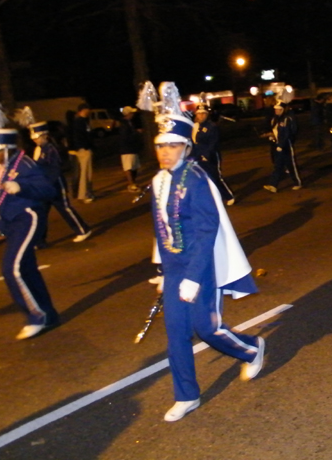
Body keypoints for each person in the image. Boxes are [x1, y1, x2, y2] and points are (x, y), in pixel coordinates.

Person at [142, 81, 265, 423]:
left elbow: (207, 230)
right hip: (174, 268)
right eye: (161, 146)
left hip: (202, 266)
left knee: (207, 328)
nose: (166, 152)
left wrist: (193, 278)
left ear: (185, 147)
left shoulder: (196, 179)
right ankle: (186, 395)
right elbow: (161, 228)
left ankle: (252, 348)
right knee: (176, 334)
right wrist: (162, 270)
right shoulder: (158, 182)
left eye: (173, 145)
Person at [0, 99, 59, 340]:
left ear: (6, 148)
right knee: (27, 270)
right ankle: (48, 315)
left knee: (12, 269)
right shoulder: (2, 167)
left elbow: (48, 190)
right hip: (13, 221)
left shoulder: (24, 164)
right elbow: (3, 200)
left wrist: (21, 187)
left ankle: (36, 316)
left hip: (28, 218)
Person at [28, 119, 92, 245]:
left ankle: (83, 230)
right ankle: (40, 241)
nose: (35, 140)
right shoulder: (39, 149)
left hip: (55, 184)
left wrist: (47, 184)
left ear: (45, 136)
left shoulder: (51, 149)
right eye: (34, 138)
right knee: (41, 212)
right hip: (44, 186)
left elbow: (55, 169)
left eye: (37, 137)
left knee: (65, 208)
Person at [190, 101, 235, 205]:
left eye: (203, 113)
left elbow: (213, 143)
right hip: (197, 156)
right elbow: (193, 142)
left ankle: (228, 196)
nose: (201, 116)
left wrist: (206, 155)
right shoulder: (194, 126)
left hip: (210, 156)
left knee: (215, 177)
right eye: (199, 113)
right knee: (199, 178)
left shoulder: (211, 126)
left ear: (207, 115)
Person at [264, 95, 302, 193]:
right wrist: (272, 137)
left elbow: (287, 133)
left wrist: (281, 144)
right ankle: (273, 185)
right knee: (278, 165)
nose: (276, 111)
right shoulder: (275, 119)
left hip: (286, 145)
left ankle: (297, 182)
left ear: (282, 110)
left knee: (291, 165)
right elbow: (276, 131)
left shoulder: (286, 119)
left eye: (278, 109)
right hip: (278, 145)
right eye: (275, 109)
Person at [70, 102, 95, 202]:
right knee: (84, 173)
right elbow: (79, 136)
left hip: (86, 148)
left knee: (88, 173)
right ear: (84, 110)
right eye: (88, 109)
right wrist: (84, 147)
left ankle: (87, 193)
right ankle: (83, 195)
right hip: (83, 149)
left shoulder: (83, 121)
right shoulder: (79, 121)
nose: (89, 111)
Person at [118, 106, 144, 193]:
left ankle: (133, 183)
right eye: (131, 113)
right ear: (128, 114)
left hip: (131, 148)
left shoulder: (129, 122)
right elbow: (125, 137)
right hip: (127, 149)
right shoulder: (124, 124)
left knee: (134, 166)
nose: (133, 114)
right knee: (128, 167)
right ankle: (131, 184)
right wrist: (136, 133)